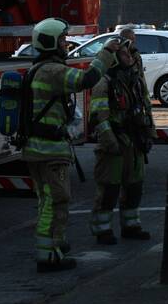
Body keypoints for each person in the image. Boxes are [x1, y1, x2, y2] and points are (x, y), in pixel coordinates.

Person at [23, 18, 119, 272]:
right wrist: (107, 51)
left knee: (47, 199)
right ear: (52, 42)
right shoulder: (52, 71)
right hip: (49, 150)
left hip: (37, 149)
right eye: (63, 40)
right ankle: (47, 254)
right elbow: (87, 79)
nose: (66, 45)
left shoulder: (38, 68)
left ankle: (55, 244)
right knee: (55, 200)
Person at [89, 39, 154, 245]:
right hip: (115, 143)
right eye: (126, 54)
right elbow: (99, 115)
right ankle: (103, 230)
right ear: (116, 59)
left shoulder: (135, 79)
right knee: (109, 188)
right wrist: (110, 142)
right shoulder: (104, 82)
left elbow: (146, 107)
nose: (131, 57)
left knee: (135, 186)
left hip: (135, 142)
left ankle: (131, 225)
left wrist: (150, 133)